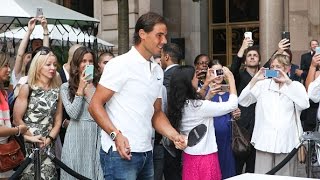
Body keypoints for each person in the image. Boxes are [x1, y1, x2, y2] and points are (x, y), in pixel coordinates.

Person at [88, 12, 186, 180]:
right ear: (142, 34)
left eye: (165, 36)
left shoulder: (157, 70)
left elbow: (156, 113)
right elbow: (94, 105)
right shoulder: (120, 64)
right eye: (159, 35)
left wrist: (173, 135)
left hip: (147, 153)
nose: (164, 41)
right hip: (119, 155)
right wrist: (116, 135)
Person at [238, 54, 310, 176]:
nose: (275, 69)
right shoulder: (262, 85)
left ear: (287, 69)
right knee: (263, 175)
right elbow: (243, 101)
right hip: (264, 140)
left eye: (279, 66)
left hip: (287, 141)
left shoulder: (295, 86)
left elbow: (304, 104)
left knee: (285, 176)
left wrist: (288, 82)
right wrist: (255, 79)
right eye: (273, 66)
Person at [168, 65, 238, 180]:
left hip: (189, 156)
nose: (198, 79)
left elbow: (197, 102)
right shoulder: (199, 107)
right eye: (196, 77)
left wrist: (206, 83)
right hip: (206, 157)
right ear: (188, 82)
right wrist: (231, 78)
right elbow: (232, 104)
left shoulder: (180, 104)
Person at [13, 48, 63, 179]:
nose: (52, 68)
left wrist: (49, 139)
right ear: (38, 66)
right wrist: (32, 137)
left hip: (48, 146)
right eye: (48, 64)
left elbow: (58, 121)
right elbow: (17, 119)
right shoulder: (27, 88)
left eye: (54, 64)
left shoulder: (57, 91)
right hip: (28, 144)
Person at [60, 47, 103, 180]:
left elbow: (101, 111)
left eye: (90, 61)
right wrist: (80, 90)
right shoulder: (65, 87)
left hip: (96, 133)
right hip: (76, 134)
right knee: (74, 171)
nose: (87, 64)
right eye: (83, 61)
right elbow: (73, 114)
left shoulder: (100, 86)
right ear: (77, 64)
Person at [205, 60, 239, 179]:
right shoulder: (204, 90)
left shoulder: (230, 91)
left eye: (220, 71)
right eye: (215, 72)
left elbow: (234, 111)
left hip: (227, 138)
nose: (218, 75)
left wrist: (236, 114)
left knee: (228, 170)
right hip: (211, 138)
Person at [230, 37, 259, 174]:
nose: (252, 57)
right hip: (241, 127)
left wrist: (279, 50)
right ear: (245, 61)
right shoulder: (239, 76)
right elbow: (233, 68)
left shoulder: (263, 77)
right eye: (250, 56)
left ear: (259, 60)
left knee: (253, 169)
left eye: (255, 55)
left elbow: (274, 63)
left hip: (258, 127)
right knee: (237, 167)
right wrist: (242, 48)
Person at [0, 52, 28, 180]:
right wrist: (17, 130)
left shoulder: (3, 93)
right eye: (5, 65)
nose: (9, 69)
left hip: (5, 152)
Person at [159, 43, 182, 180]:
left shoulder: (165, 77)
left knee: (171, 173)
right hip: (184, 131)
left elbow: (164, 105)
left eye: (161, 56)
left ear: (166, 56)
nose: (160, 59)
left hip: (169, 131)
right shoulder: (187, 72)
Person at [11, 16, 49, 89]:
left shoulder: (40, 75)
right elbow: (19, 54)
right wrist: (29, 31)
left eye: (33, 57)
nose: (31, 59)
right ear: (23, 59)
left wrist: (45, 30)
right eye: (29, 57)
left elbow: (46, 54)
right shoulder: (19, 75)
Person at [58, 44, 83, 143]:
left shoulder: (84, 77)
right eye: (82, 60)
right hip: (62, 133)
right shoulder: (57, 76)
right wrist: (64, 122)